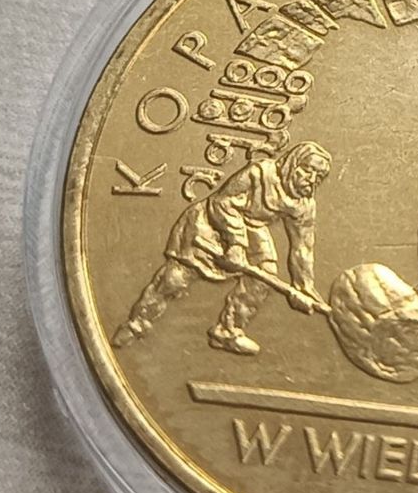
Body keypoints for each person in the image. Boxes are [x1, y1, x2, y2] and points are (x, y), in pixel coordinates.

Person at [111, 141, 331, 356]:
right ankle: (137, 324)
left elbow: (303, 248)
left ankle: (228, 331)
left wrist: (304, 289)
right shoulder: (260, 172)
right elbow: (222, 202)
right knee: (174, 279)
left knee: (265, 276)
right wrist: (236, 244)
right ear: (292, 164)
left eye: (319, 177)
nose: (311, 179)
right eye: (307, 170)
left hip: (252, 227)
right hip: (212, 220)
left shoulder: (305, 204)